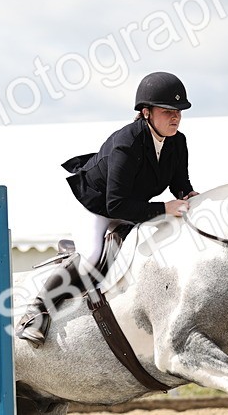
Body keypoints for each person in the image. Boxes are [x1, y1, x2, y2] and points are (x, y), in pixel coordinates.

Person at [17, 71, 199, 346]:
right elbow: (116, 204)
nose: (175, 117)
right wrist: (164, 208)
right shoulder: (127, 143)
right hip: (99, 204)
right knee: (91, 256)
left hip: (134, 205)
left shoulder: (178, 141)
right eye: (167, 112)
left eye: (178, 112)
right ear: (146, 113)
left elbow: (179, 183)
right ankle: (36, 311)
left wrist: (189, 195)